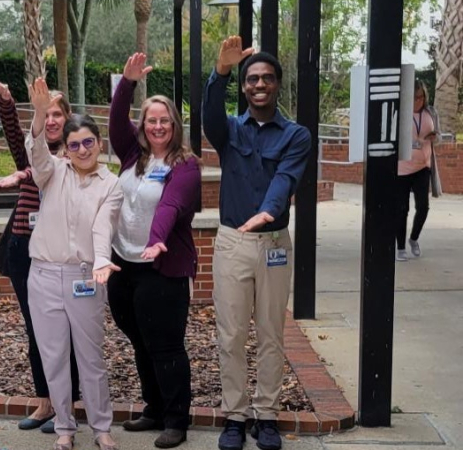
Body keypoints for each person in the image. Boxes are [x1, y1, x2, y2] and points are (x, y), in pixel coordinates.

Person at [202, 36, 311, 450]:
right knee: (230, 335)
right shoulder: (229, 131)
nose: (259, 84)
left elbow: (286, 177)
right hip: (232, 243)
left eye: (266, 78)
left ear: (277, 84)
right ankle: (235, 415)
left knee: (270, 333)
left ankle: (266, 415)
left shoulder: (296, 134)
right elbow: (210, 116)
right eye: (251, 79)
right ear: (244, 86)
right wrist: (222, 71)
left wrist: (269, 209)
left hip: (274, 244)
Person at [107, 53, 202, 449]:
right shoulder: (134, 155)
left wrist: (156, 239)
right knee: (139, 337)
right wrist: (126, 85)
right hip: (123, 263)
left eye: (164, 120)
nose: (158, 126)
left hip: (161, 267)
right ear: (144, 125)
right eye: (151, 120)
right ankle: (154, 407)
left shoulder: (186, 165)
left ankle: (176, 418)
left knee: (165, 344)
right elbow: (114, 123)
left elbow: (171, 205)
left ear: (174, 125)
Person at [26, 78, 123, 450]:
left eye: (88, 142)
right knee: (53, 357)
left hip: (86, 277)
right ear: (65, 149)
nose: (82, 149)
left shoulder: (110, 185)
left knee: (90, 357)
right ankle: (64, 426)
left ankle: (101, 427)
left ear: (99, 143)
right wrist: (38, 113)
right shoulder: (51, 172)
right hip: (45, 276)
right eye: (74, 144)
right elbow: (35, 152)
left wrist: (101, 261)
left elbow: (104, 227)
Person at [0, 77, 81, 433]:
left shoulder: (77, 153)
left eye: (58, 114)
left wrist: (24, 174)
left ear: (67, 119)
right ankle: (45, 403)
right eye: (48, 114)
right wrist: (7, 100)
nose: (53, 120)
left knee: (65, 330)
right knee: (36, 330)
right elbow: (15, 133)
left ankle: (66, 407)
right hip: (23, 250)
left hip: (59, 254)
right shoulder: (30, 146)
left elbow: (46, 169)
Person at [396, 80, 435, 261]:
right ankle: (400, 247)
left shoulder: (430, 113)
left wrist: (433, 137)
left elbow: (440, 135)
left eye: (421, 97)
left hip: (422, 166)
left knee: (423, 207)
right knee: (401, 209)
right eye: (414, 97)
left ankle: (413, 238)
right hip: (403, 167)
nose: (418, 101)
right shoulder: (401, 114)